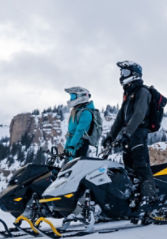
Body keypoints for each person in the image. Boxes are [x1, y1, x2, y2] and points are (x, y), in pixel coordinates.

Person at [102, 60, 157, 208]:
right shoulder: (128, 94)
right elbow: (120, 118)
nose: (122, 76)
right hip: (129, 136)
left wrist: (127, 132)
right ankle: (134, 199)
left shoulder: (142, 92)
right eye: (121, 73)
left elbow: (139, 114)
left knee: (141, 166)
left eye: (125, 72)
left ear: (135, 74)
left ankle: (150, 199)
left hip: (138, 134)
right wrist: (110, 136)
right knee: (129, 170)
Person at [64, 86, 95, 160]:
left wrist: (71, 146)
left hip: (79, 147)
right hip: (73, 147)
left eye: (73, 96)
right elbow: (70, 133)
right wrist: (67, 147)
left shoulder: (86, 113)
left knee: (76, 170)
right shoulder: (76, 111)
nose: (71, 99)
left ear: (82, 96)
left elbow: (79, 132)